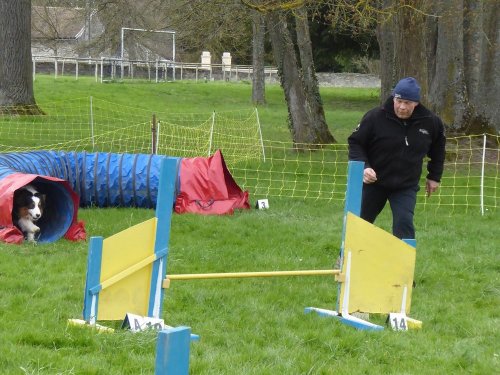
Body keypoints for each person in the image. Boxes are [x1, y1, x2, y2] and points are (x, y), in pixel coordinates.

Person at [347, 77, 446, 239]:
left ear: (416, 103)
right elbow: (355, 142)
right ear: (393, 98)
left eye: (407, 103)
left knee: (404, 223)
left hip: (405, 185)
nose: (401, 107)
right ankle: (345, 259)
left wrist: (434, 176)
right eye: (398, 100)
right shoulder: (375, 117)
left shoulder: (431, 122)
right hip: (374, 182)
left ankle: (404, 264)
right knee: (360, 221)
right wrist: (365, 167)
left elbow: (438, 150)